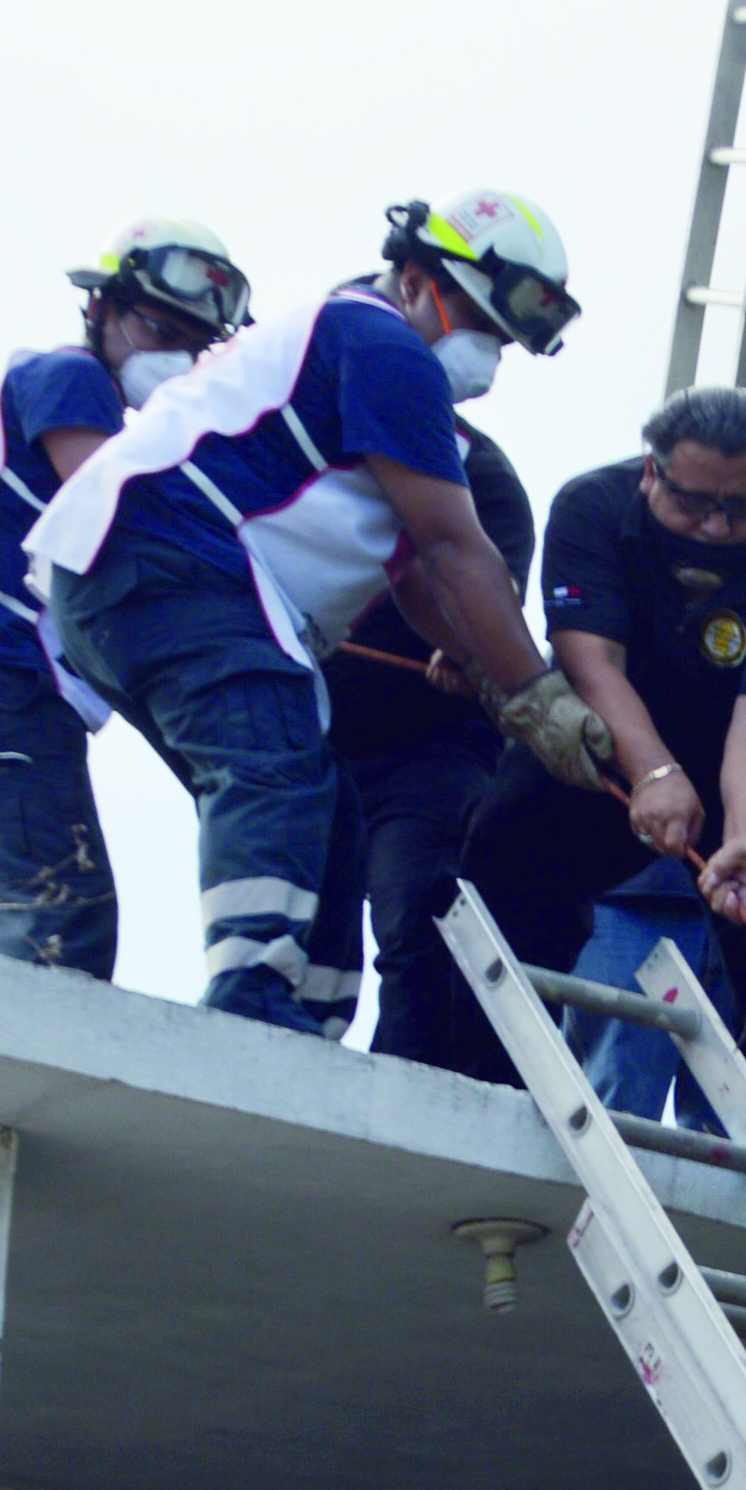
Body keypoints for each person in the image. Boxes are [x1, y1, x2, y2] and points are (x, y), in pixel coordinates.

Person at [30, 191, 612, 1035]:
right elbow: (455, 550)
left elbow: (419, 584)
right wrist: (538, 694)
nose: (484, 353)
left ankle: (310, 1012)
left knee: (326, 802)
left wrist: (484, 670)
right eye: (477, 323)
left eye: (500, 340)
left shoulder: (377, 381)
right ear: (415, 278)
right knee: (273, 768)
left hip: (125, 584)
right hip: (169, 565)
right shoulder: (376, 339)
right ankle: (252, 998)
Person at [456, 387, 746, 1155]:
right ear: (652, 474)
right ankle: (483, 1062)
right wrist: (651, 774)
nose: (716, 528)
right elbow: (590, 659)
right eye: (694, 504)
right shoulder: (590, 508)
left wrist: (743, 838)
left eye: (740, 508)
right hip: (623, 719)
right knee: (512, 828)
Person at [0, 219, 251, 975]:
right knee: (62, 932)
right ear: (100, 309)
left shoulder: (83, 395)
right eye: (158, 326)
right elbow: (116, 516)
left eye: (194, 342)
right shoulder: (70, 377)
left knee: (36, 930)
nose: (174, 355)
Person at [313, 411, 533, 1051]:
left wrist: (473, 649)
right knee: (295, 931)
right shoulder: (292, 454)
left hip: (429, 748)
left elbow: (490, 606)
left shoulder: (483, 480)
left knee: (422, 919)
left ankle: (408, 1089)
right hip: (306, 744)